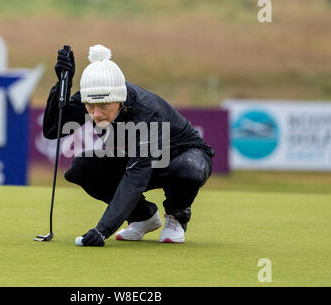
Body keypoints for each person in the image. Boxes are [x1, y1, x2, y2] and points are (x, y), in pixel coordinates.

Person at [43, 44, 214, 247]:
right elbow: (53, 130)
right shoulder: (93, 97)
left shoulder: (148, 111)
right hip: (137, 158)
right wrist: (63, 84)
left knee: (190, 169)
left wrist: (102, 230)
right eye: (90, 107)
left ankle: (177, 215)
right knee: (81, 168)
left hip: (179, 158)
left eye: (103, 106)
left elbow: (137, 175)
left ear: (119, 99)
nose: (96, 114)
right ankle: (143, 217)